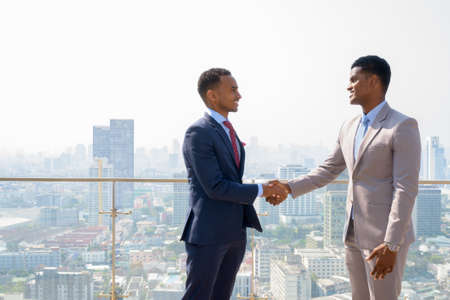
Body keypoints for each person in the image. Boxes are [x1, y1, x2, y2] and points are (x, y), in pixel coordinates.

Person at [272, 55, 421, 300]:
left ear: (373, 81)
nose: (348, 86)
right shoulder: (349, 126)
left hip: (384, 238)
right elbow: (328, 169)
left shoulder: (402, 125)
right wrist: (288, 187)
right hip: (353, 231)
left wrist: (392, 243)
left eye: (354, 80)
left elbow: (405, 188)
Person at [181, 68, 287, 300]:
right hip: (208, 234)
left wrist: (264, 186)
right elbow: (215, 186)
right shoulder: (198, 132)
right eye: (233, 90)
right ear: (212, 95)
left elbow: (231, 178)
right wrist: (262, 190)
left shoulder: (226, 130)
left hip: (234, 233)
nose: (239, 95)